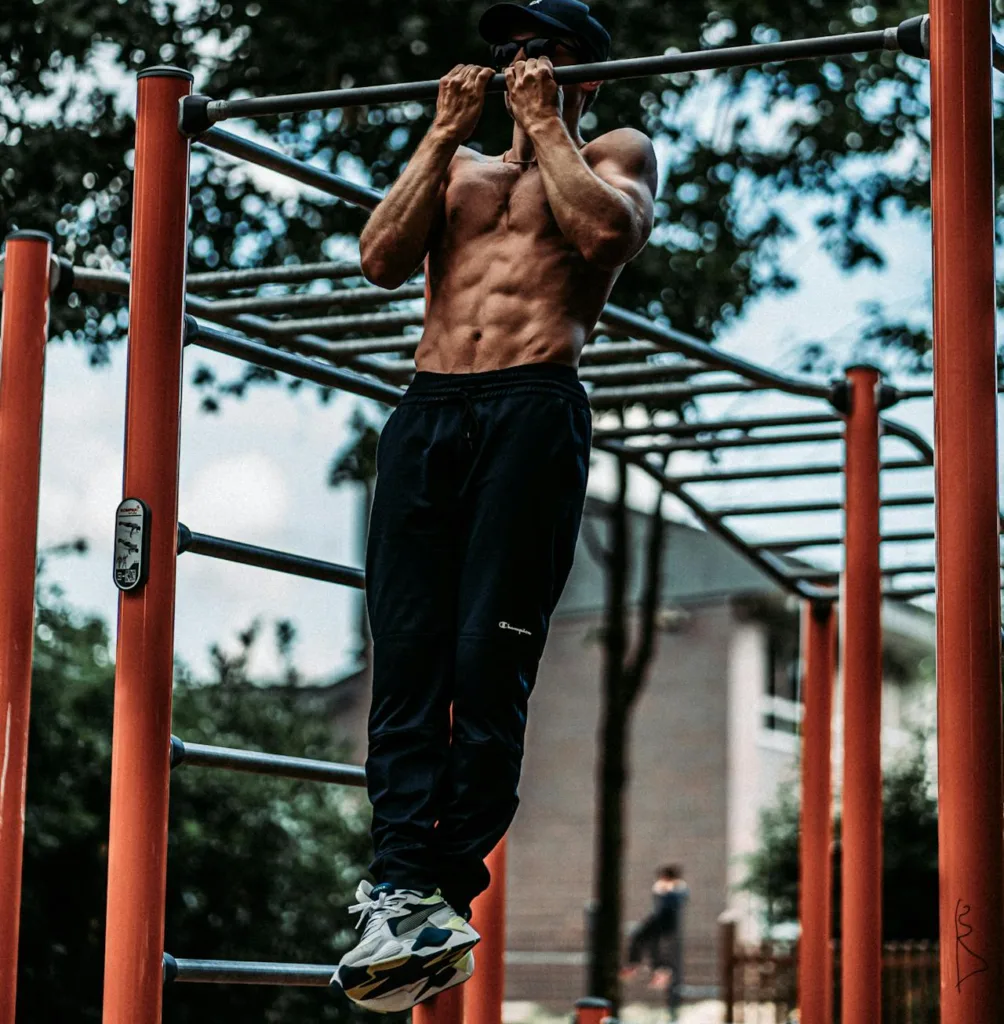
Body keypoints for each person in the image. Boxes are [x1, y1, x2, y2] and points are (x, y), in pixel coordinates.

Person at [332, 0, 657, 1012]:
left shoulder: (612, 150)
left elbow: (607, 237)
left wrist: (550, 123)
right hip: (428, 410)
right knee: (408, 654)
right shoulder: (459, 170)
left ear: (584, 77)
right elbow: (379, 257)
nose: (519, 69)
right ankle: (396, 887)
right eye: (510, 53)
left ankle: (433, 886)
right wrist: (438, 130)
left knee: (486, 657)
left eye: (543, 58)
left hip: (532, 406)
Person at [622, 865, 690, 1021]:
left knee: (640, 936)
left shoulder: (677, 888)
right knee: (650, 943)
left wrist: (665, 890)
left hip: (665, 922)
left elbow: (673, 901)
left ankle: (639, 965)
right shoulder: (669, 888)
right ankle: (657, 970)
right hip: (662, 922)